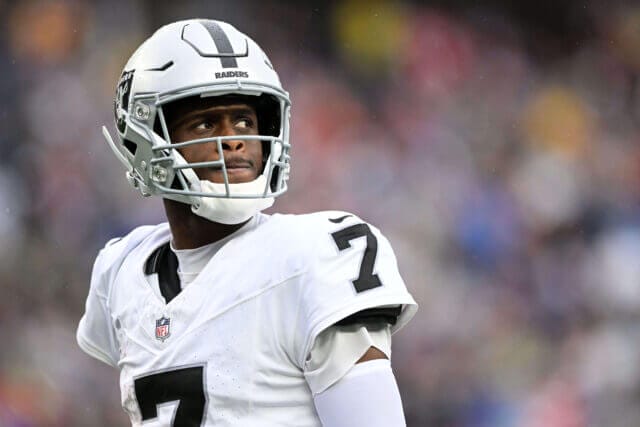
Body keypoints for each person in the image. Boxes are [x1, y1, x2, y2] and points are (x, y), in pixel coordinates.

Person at [77, 19, 417, 427]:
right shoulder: (121, 270)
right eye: (206, 123)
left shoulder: (315, 255)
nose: (234, 139)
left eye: (244, 121)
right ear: (146, 140)